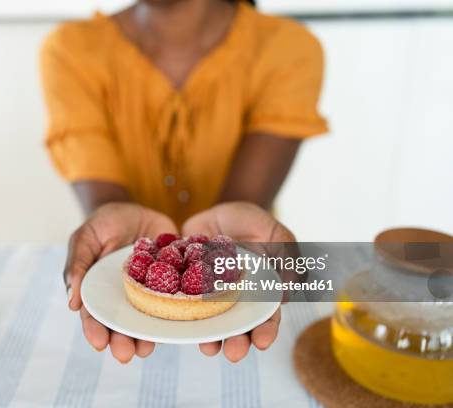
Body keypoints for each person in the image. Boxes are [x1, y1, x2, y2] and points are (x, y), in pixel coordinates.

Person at [39, 0, 327, 363]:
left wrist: (223, 245)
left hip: (242, 289)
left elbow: (239, 208)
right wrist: (113, 218)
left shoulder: (289, 49)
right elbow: (104, 198)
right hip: (120, 302)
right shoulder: (71, 50)